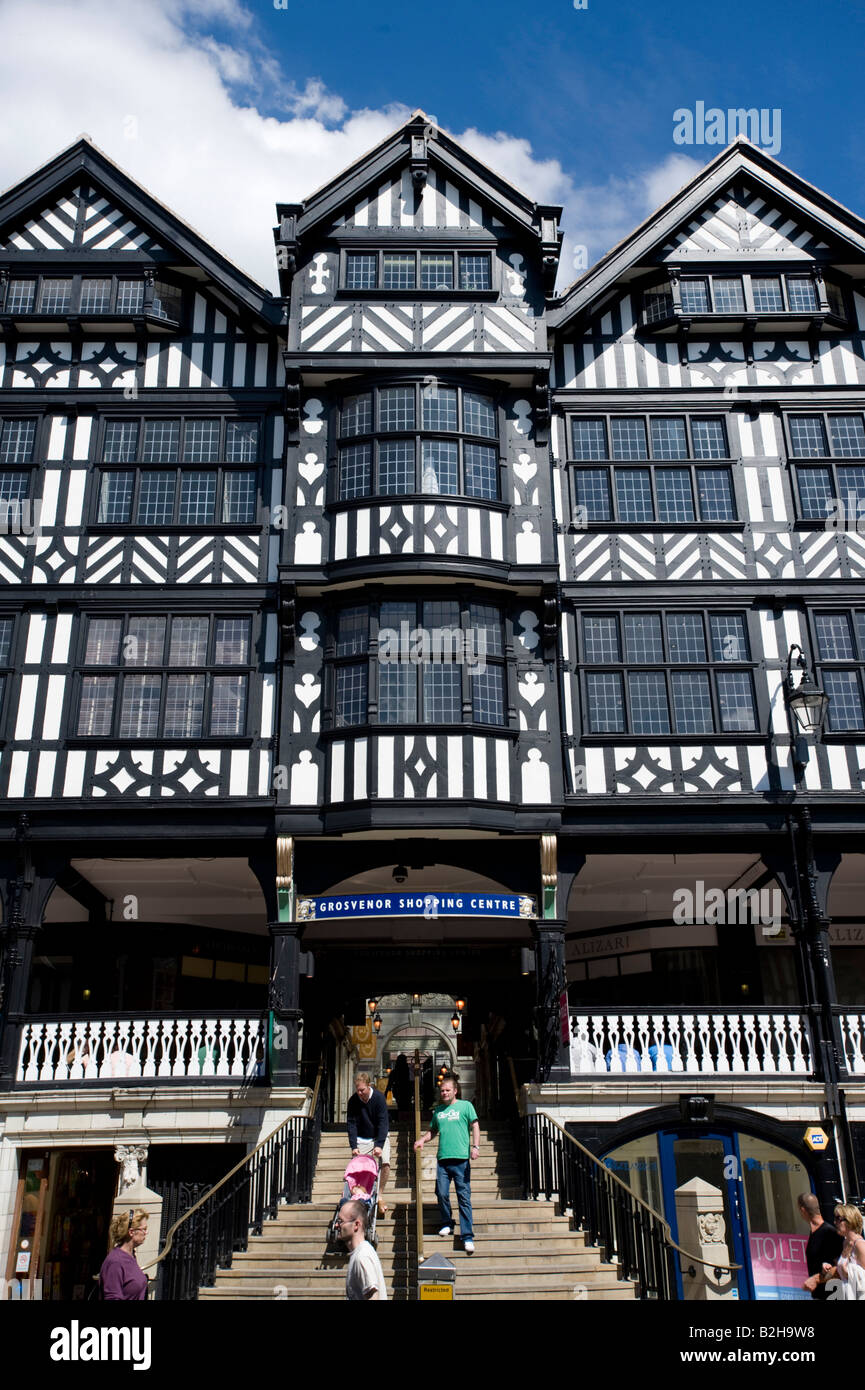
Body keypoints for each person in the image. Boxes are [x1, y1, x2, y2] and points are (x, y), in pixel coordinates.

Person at [413, 1072, 480, 1254]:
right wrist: (421, 1140)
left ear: (455, 1091)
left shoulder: (466, 1106)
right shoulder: (438, 1111)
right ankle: (447, 1222)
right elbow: (433, 1131)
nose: (444, 1093)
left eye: (447, 1090)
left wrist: (476, 1147)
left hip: (461, 1160)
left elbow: (475, 1125)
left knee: (463, 1198)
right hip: (443, 1159)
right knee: (441, 1193)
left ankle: (467, 1236)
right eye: (442, 1090)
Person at [347, 1071, 390, 1217]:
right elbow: (351, 1124)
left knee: (385, 1163)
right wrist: (354, 1146)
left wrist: (379, 1144)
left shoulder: (378, 1098)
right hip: (362, 1138)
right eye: (357, 1090)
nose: (359, 1093)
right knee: (359, 1169)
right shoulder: (353, 1101)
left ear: (369, 1085)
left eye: (362, 1090)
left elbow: (383, 1122)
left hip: (378, 1135)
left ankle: (380, 1194)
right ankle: (362, 1195)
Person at [337, 1200, 387, 1301]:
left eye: (340, 1221)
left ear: (356, 1225)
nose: (336, 1226)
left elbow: (373, 1298)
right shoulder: (360, 1253)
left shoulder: (362, 1256)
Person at [799, 1192, 843, 1299]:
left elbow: (840, 1267)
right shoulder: (814, 1232)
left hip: (834, 1295)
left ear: (803, 1210)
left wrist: (816, 1279)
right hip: (820, 1295)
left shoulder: (829, 1233)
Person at [99, 1208, 149, 1301]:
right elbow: (112, 1297)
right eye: (144, 1229)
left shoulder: (131, 1256)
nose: (146, 1233)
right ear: (131, 1232)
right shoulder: (116, 1262)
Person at [819, 1203, 865, 1299]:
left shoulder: (860, 1245)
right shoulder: (845, 1243)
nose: (835, 1222)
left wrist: (848, 1272)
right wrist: (830, 1268)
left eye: (838, 1218)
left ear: (849, 1220)